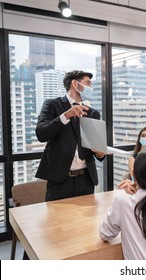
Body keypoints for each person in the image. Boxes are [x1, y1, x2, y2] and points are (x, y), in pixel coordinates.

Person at [35, 70, 106, 201]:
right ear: (75, 83)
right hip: (60, 180)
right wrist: (66, 115)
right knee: (56, 219)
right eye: (88, 83)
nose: (91, 87)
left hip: (86, 180)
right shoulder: (52, 105)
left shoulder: (93, 113)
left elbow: (95, 148)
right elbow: (41, 133)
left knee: (86, 220)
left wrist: (100, 154)